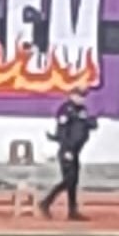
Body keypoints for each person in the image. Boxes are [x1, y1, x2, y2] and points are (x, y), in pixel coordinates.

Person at [39, 88, 96, 221]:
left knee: (73, 182)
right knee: (69, 180)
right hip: (67, 151)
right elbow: (62, 133)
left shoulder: (82, 110)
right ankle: (46, 202)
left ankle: (72, 211)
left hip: (76, 150)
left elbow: (91, 124)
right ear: (72, 96)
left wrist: (89, 121)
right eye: (79, 96)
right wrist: (67, 150)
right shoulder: (66, 110)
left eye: (83, 97)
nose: (82, 99)